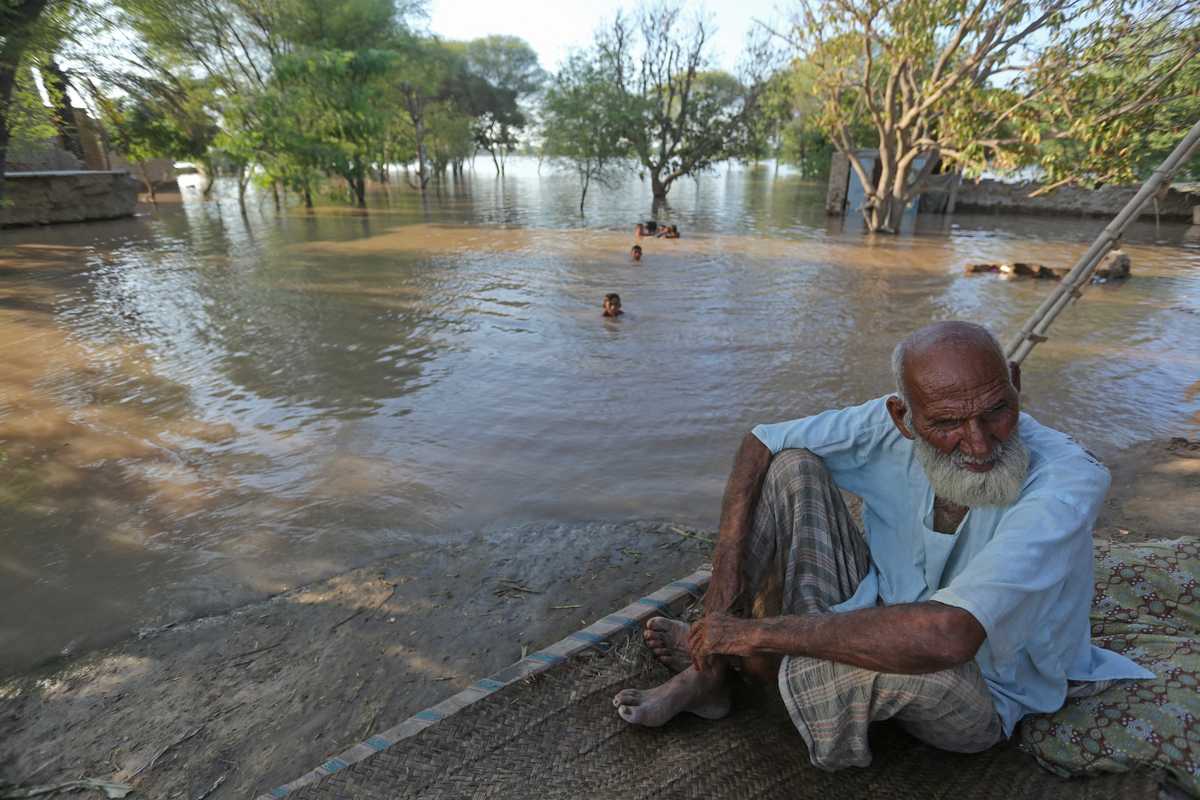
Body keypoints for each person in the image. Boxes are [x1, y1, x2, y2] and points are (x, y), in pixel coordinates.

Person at [613, 321, 1151, 768]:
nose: (980, 442)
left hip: (982, 686)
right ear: (903, 419)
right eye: (945, 424)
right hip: (880, 606)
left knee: (874, 652)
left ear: (1014, 382)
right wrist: (726, 568)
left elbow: (949, 636)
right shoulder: (886, 423)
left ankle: (747, 668)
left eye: (996, 411)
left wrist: (755, 632)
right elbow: (762, 439)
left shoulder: (1069, 477)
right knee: (793, 467)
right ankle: (712, 675)